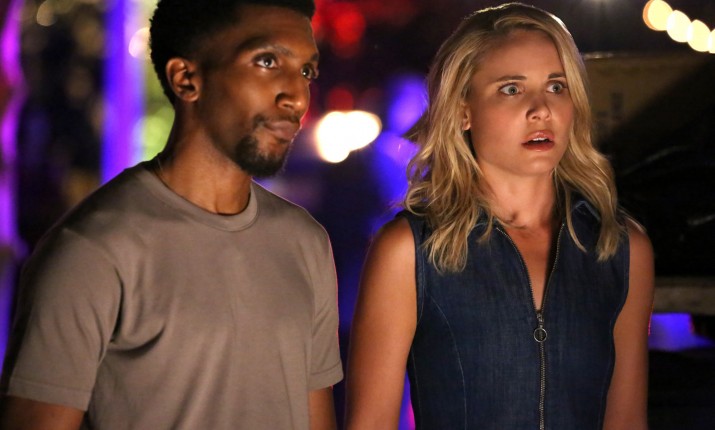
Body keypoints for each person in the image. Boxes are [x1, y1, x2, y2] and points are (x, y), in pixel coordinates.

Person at [0, 0, 343, 429]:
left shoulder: (305, 242)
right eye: (267, 61)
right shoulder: (93, 250)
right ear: (186, 78)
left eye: (307, 71)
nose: (297, 96)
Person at [346, 3, 654, 430]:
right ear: (463, 110)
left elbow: (627, 420)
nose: (541, 109)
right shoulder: (409, 251)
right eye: (512, 89)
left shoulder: (620, 248)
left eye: (557, 86)